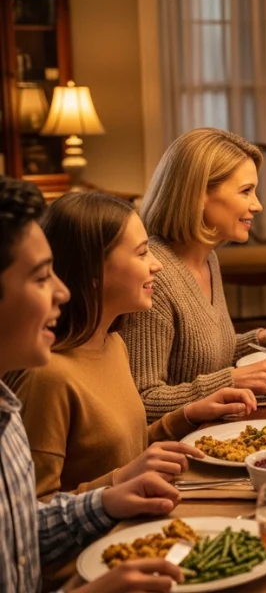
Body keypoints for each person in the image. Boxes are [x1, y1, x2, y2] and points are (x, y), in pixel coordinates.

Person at [0, 176, 185, 593]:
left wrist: (107, 498)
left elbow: (23, 529)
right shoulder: (44, 378)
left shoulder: (7, 412)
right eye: (40, 276)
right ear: (93, 271)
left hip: (129, 536)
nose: (61, 291)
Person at [12, 192, 258, 499]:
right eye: (142, 253)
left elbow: (126, 451)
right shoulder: (47, 379)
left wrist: (188, 415)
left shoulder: (113, 344)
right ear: (93, 272)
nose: (157, 265)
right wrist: (119, 480)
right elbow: (34, 511)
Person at [120, 128, 266, 422]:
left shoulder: (207, 258)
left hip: (217, 427)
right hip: (175, 451)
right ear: (199, 194)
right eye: (245, 191)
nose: (258, 205)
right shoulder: (155, 275)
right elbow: (142, 402)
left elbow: (200, 359)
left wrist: (261, 338)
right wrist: (231, 380)